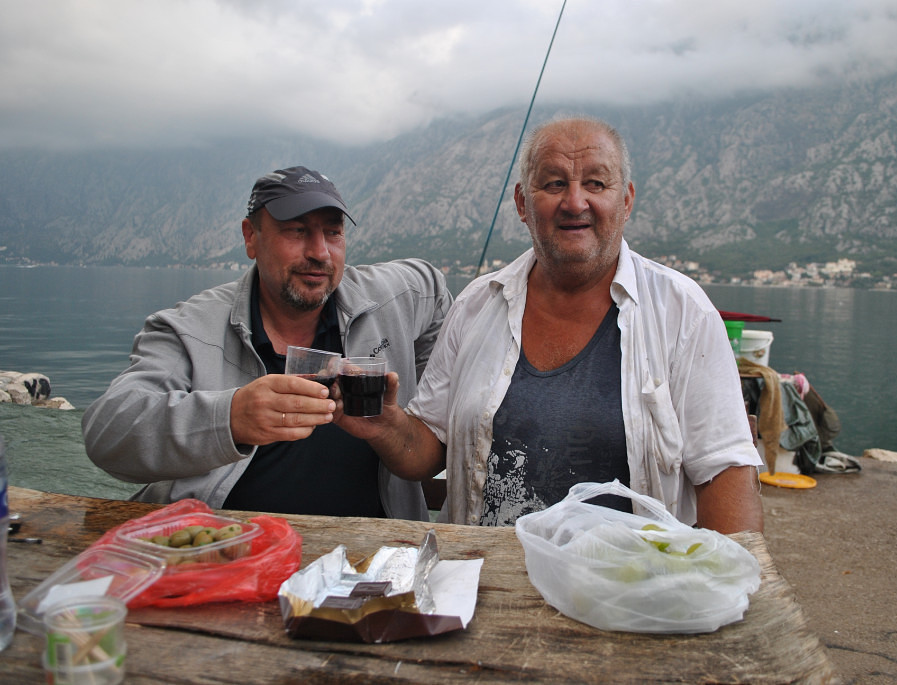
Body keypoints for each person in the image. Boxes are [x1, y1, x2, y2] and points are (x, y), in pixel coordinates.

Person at [337, 117, 764, 533]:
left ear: (626, 201)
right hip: (485, 575)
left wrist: (732, 575)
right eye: (555, 183)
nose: (575, 202)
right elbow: (428, 448)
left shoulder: (682, 312)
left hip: (629, 579)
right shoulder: (476, 305)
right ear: (523, 203)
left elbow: (725, 472)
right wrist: (386, 424)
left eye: (596, 184)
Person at [83, 166, 453, 520]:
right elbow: (108, 432)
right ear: (251, 237)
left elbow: (434, 289)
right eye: (297, 231)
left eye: (333, 232)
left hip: (373, 553)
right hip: (230, 549)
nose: (320, 252)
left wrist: (417, 405)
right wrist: (232, 418)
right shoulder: (190, 329)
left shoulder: (392, 297)